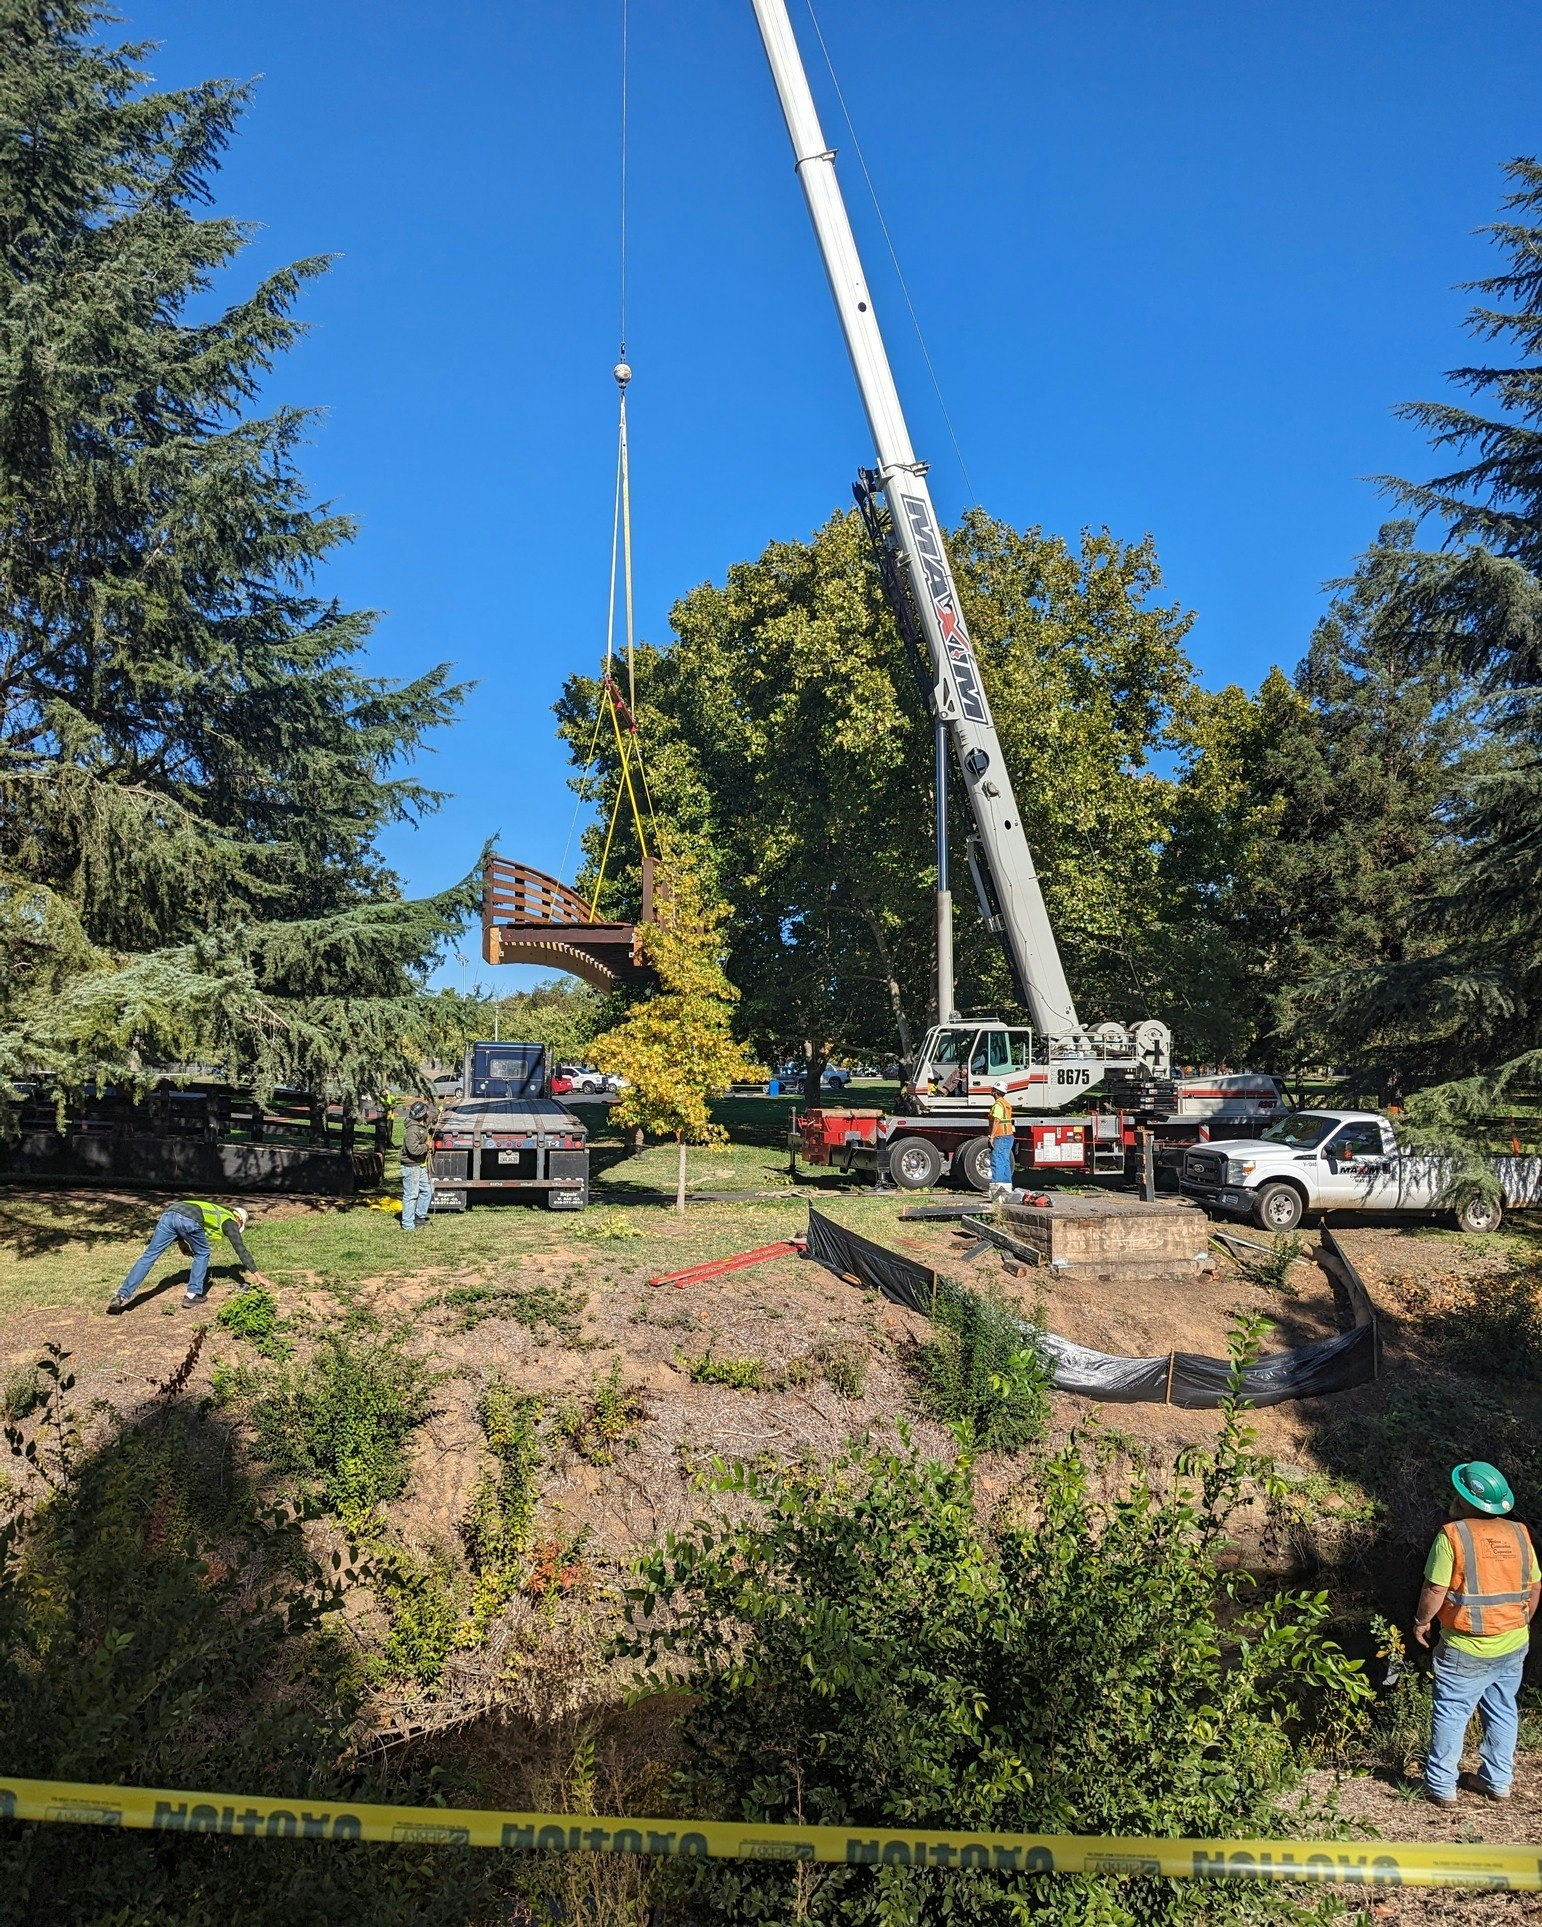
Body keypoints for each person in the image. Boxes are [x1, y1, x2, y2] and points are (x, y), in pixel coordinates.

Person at [1412, 1460, 1540, 1806]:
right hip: (1513, 1641)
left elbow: (1435, 1590)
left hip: (1466, 1646)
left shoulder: (1452, 1535)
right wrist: (1522, 1618)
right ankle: (1497, 1782)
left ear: (1466, 1499)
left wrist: (1422, 1622)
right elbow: (1535, 1585)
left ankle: (1441, 1786)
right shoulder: (1518, 1533)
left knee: (1452, 1711)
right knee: (1502, 1709)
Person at [107, 1200, 273, 1313]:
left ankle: (121, 1296)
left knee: (149, 1256)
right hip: (188, 1219)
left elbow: (179, 1219)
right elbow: (240, 1248)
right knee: (203, 1252)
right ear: (239, 1220)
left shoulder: (217, 1210)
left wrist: (182, 1243)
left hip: (169, 1214)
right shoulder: (229, 1221)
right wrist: (259, 1276)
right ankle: (192, 1295)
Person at [401, 1098, 436, 1231]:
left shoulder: (422, 1122)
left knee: (427, 1190)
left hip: (419, 1165)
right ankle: (408, 1225)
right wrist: (426, 1146)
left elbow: (432, 1115)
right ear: (422, 1115)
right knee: (411, 1195)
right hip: (411, 1166)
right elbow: (413, 1150)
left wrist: (440, 1110)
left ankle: (419, 1216)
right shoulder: (413, 1130)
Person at [988, 1081, 1016, 1200]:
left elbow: (997, 1120)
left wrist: (992, 1136)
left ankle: (998, 1189)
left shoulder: (998, 1105)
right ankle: (1006, 1189)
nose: (991, 1091)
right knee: (1004, 1162)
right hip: (1008, 1136)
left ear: (995, 1092)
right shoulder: (1005, 1103)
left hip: (1001, 1136)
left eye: (992, 1089)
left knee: (997, 1161)